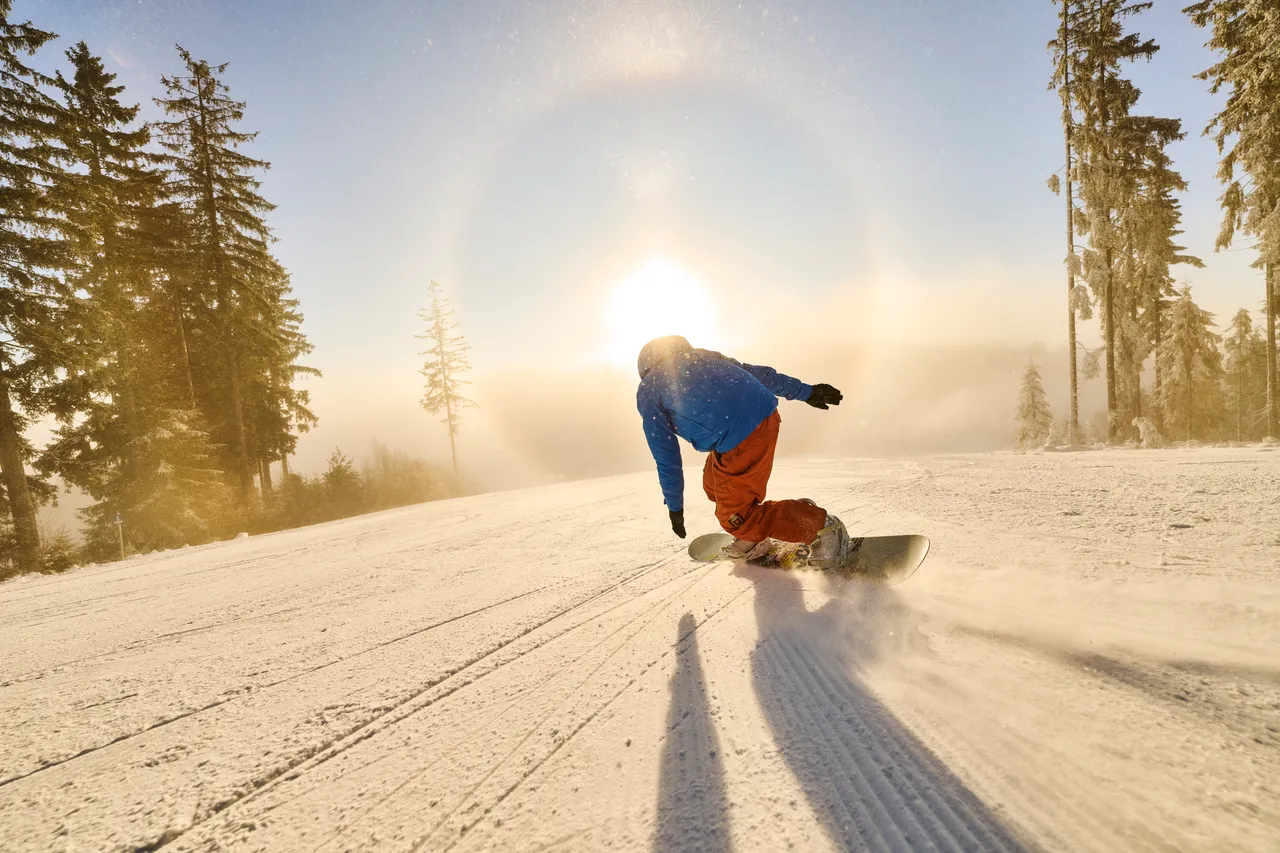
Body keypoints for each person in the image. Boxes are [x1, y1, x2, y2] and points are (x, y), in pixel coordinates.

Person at [635, 335, 851, 566]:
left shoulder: (648, 389)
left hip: (741, 439)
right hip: (764, 420)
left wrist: (675, 508)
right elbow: (760, 375)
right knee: (714, 488)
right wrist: (806, 392)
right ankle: (763, 531)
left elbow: (666, 457)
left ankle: (824, 528)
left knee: (735, 518)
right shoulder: (705, 356)